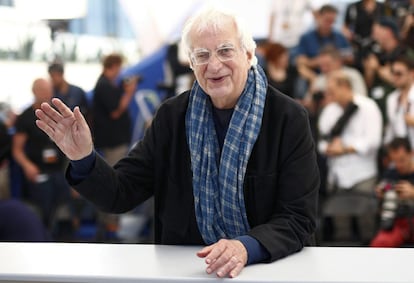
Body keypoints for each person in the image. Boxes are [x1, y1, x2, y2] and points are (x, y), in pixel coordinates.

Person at [35, 7, 319, 278]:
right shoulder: (172, 117)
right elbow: (122, 193)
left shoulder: (287, 119)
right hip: (189, 272)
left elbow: (298, 219)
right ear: (192, 64)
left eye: (225, 51)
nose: (214, 65)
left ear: (248, 54)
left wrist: (245, 246)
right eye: (202, 55)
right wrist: (84, 158)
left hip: (268, 270)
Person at [318, 70, 382, 242]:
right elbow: (321, 142)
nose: (329, 96)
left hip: (362, 174)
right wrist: (330, 148)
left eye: (332, 91)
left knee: (366, 223)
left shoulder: (368, 107)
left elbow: (373, 141)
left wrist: (346, 149)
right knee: (341, 225)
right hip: (338, 175)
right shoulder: (330, 110)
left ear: (345, 86)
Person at [12, 78, 71, 230]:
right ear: (34, 92)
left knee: (65, 202)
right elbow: (17, 149)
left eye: (49, 91)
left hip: (58, 169)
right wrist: (27, 165)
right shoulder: (25, 117)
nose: (46, 94)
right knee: (43, 202)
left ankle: (64, 232)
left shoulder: (57, 113)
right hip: (38, 169)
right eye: (43, 91)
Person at [92, 53, 137, 166]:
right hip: (113, 141)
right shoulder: (104, 85)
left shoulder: (108, 84)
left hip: (115, 139)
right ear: (115, 66)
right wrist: (129, 93)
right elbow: (115, 112)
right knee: (116, 170)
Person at [370, 137, 414, 247]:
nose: (398, 165)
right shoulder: (390, 174)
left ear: (411, 154)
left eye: (402, 160)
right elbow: (382, 188)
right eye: (394, 161)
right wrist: (380, 193)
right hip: (396, 223)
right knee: (379, 244)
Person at [383, 56, 414, 147]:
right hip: (401, 155)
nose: (395, 77)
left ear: (412, 73)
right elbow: (391, 129)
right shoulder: (391, 99)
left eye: (399, 74)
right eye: (393, 73)